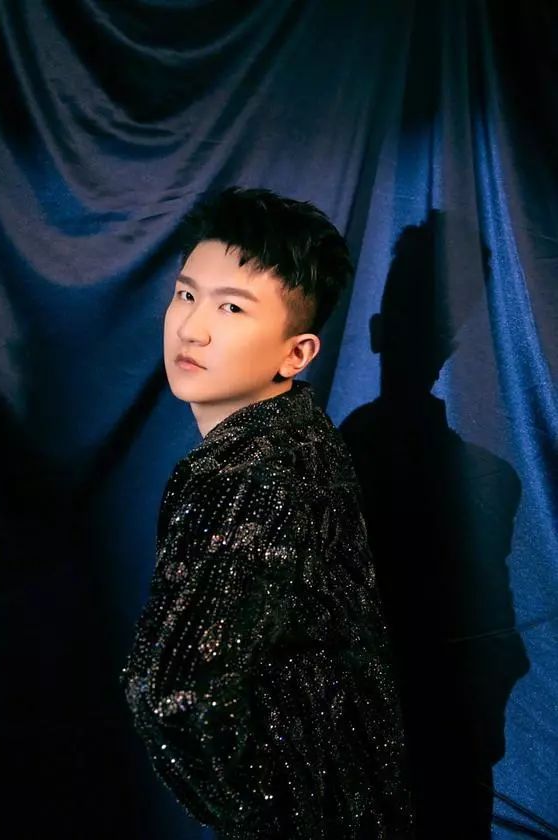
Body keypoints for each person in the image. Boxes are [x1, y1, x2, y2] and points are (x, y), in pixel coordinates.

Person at [121, 187, 413, 839]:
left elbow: (178, 697)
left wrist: (265, 820)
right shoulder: (302, 435)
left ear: (297, 353)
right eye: (186, 294)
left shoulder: (249, 475)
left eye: (231, 307)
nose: (192, 328)